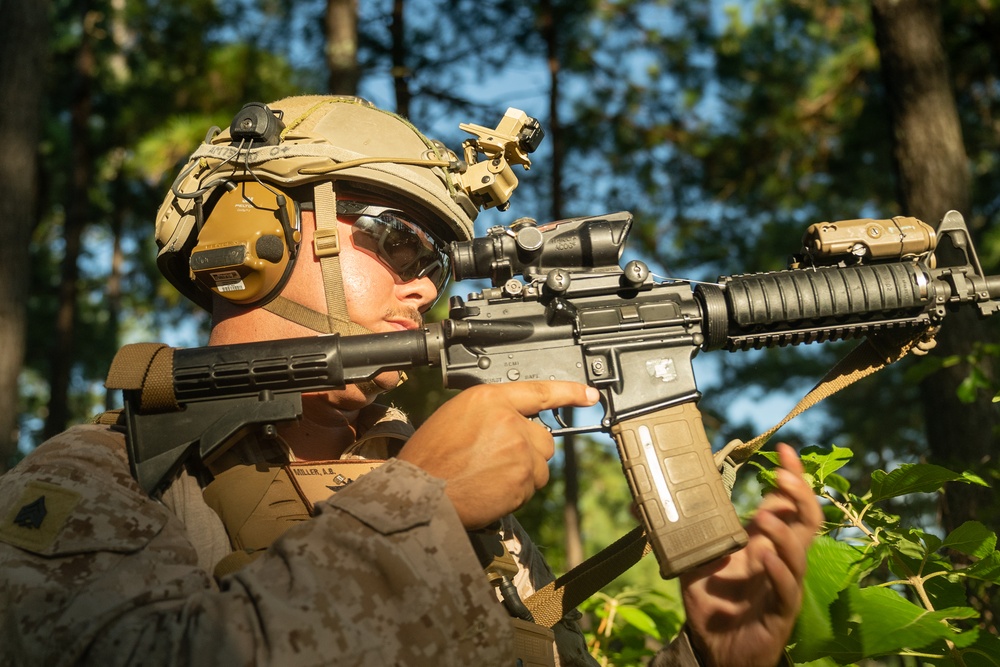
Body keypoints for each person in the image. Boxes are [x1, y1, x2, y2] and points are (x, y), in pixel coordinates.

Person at [0, 95, 822, 666]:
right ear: (255, 236)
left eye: (436, 261)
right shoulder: (100, 481)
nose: (427, 285)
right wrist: (415, 499)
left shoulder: (455, 498)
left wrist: (712, 658)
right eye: (396, 240)